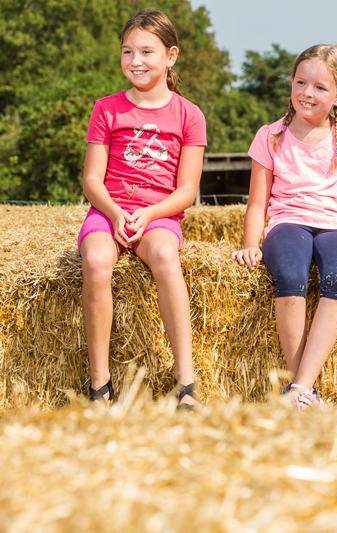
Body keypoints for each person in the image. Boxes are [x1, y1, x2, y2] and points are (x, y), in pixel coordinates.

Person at [232, 43, 337, 410]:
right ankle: (300, 390)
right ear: (291, 84)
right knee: (290, 274)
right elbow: (257, 202)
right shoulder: (270, 136)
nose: (307, 93)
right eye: (301, 82)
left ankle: (299, 387)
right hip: (288, 221)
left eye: (320, 87)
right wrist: (250, 242)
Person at [79, 10, 205, 409]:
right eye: (127, 51)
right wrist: (116, 213)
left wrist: (149, 215)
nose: (135, 60)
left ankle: (185, 382)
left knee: (166, 255)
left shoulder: (189, 114)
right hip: (109, 211)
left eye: (146, 51)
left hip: (160, 215)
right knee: (98, 261)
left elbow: (187, 189)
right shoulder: (106, 109)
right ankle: (100, 384)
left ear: (171, 56)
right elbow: (92, 180)